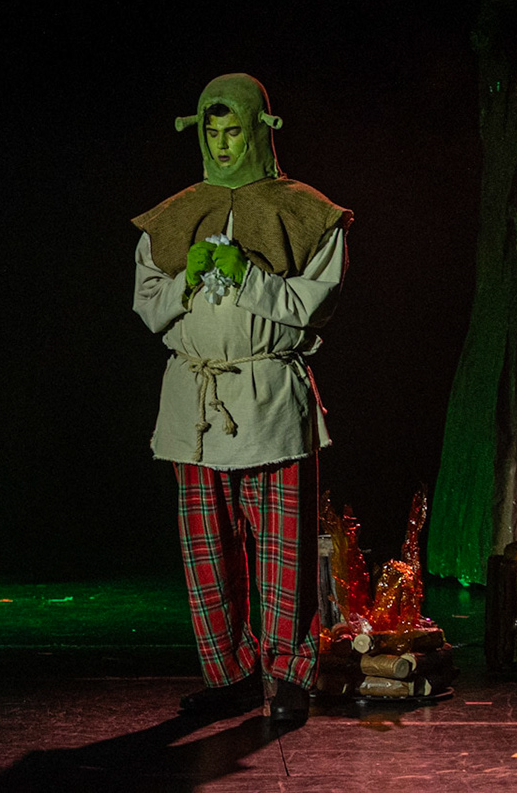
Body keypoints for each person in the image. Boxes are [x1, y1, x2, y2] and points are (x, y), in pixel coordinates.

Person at [131, 74, 350, 724]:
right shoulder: (172, 216)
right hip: (196, 403)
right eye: (212, 132)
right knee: (208, 548)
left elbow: (314, 306)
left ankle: (288, 674)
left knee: (284, 547)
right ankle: (229, 673)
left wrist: (248, 278)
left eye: (234, 131)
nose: (223, 144)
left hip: (270, 398)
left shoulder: (308, 212)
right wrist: (186, 280)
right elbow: (148, 306)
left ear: (261, 130)